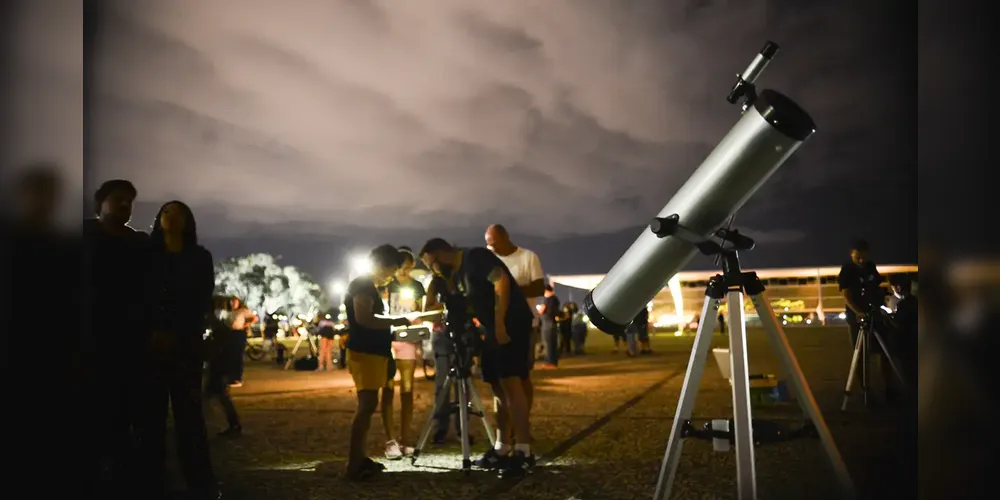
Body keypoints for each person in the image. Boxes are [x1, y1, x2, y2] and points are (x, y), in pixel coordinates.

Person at [420, 238, 536, 478]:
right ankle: (502, 447)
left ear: (439, 254)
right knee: (496, 384)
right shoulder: (457, 275)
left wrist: (501, 322)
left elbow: (501, 282)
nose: (433, 269)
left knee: (511, 382)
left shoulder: (475, 258)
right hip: (491, 328)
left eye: (431, 264)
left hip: (511, 323)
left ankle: (524, 451)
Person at [137, 201, 219, 499]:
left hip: (186, 344)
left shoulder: (199, 257)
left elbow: (200, 298)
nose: (172, 218)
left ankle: (200, 481)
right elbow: (139, 297)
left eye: (179, 213)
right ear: (159, 219)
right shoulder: (146, 255)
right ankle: (151, 480)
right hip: (151, 345)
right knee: (151, 417)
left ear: (189, 221)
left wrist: (180, 332)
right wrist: (153, 330)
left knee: (190, 416)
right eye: (167, 212)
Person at [82, 179, 150, 496]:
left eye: (129, 201)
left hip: (131, 341)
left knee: (126, 412)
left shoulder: (139, 243)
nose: (124, 205)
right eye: (117, 199)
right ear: (101, 203)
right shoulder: (83, 236)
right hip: (89, 340)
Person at [343, 245, 411, 481]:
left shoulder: (366, 285)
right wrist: (396, 321)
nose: (392, 276)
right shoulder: (362, 285)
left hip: (372, 352)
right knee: (366, 406)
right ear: (382, 265)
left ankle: (359, 459)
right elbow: (364, 318)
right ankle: (354, 462)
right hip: (366, 353)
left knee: (368, 406)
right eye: (392, 270)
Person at [837, 238, 897, 403]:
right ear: (852, 255)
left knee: (884, 351)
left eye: (863, 257)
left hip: (874, 313)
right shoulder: (847, 270)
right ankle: (865, 390)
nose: (861, 261)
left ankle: (889, 388)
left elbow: (876, 286)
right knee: (861, 355)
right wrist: (859, 312)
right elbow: (847, 297)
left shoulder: (870, 267)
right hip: (857, 317)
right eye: (858, 258)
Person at [380, 247, 426, 459]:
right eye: (401, 268)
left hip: (408, 338)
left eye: (408, 268)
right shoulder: (387, 285)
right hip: (389, 338)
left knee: (407, 390)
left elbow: (421, 311)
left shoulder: (417, 286)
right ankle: (390, 440)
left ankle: (405, 438)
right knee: (387, 389)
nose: (404, 272)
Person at [205, 297, 242, 438]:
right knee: (216, 395)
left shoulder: (218, 326)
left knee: (217, 395)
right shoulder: (218, 324)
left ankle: (229, 424)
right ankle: (230, 423)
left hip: (218, 365)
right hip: (218, 365)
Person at [225, 297, 257, 387]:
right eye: (232, 302)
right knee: (230, 356)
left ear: (238, 303)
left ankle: (237, 378)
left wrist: (246, 324)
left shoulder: (242, 311)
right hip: (230, 334)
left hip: (239, 333)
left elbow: (254, 318)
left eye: (235, 302)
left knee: (238, 356)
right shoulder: (229, 312)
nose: (233, 304)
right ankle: (231, 377)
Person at [538, 285, 561, 367]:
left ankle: (550, 362)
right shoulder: (555, 299)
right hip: (553, 323)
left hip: (547, 324)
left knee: (548, 344)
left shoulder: (548, 300)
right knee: (552, 343)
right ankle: (553, 361)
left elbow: (541, 311)